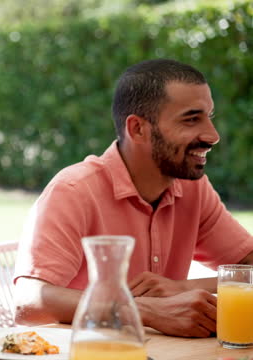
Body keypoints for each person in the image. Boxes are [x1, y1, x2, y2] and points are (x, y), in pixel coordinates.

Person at [14, 59, 253, 337]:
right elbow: (28, 302)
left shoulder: (192, 188)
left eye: (208, 116)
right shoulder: (74, 190)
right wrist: (144, 310)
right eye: (191, 119)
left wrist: (185, 288)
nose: (213, 135)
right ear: (138, 128)